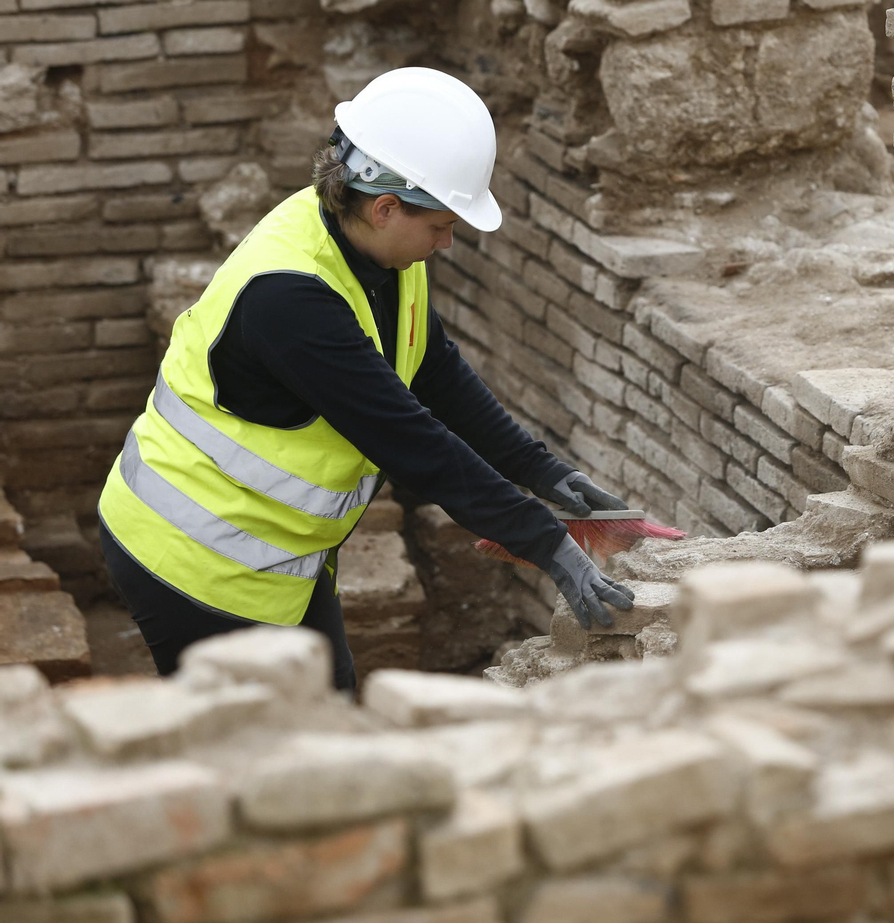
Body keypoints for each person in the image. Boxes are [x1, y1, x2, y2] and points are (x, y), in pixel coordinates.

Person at [97, 67, 635, 690]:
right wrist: (546, 542)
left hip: (281, 553)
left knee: (330, 724)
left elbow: (433, 370)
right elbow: (407, 439)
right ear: (385, 207)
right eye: (440, 226)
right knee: (271, 758)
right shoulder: (290, 298)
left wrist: (546, 472)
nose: (448, 243)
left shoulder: (379, 251)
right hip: (194, 555)